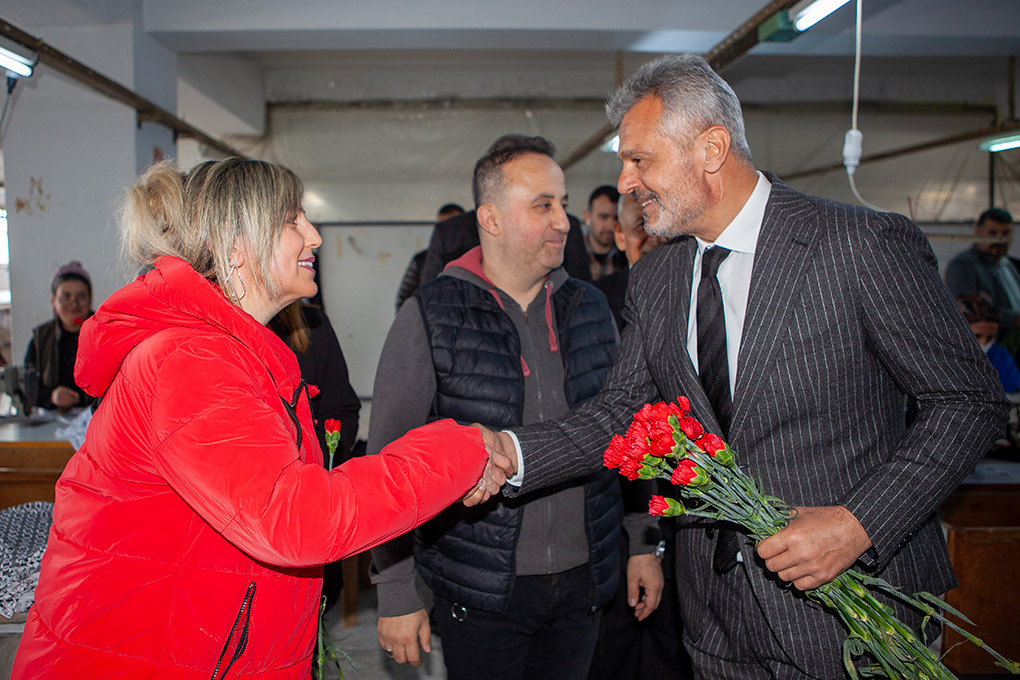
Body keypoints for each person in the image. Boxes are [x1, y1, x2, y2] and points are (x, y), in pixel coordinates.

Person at [473, 54, 1008, 678]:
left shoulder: (858, 245)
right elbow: (623, 414)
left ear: (711, 149)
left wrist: (859, 524)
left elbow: (969, 402)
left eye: (639, 160)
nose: (625, 182)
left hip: (855, 614)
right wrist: (512, 451)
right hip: (716, 620)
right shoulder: (657, 278)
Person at [12, 158, 496, 679]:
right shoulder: (191, 360)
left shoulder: (234, 353)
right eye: (292, 220)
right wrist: (463, 450)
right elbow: (297, 518)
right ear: (235, 246)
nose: (313, 236)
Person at [370, 134, 662, 680]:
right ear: (492, 219)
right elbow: (389, 463)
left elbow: (626, 431)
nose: (563, 222)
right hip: (480, 589)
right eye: (542, 205)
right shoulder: (431, 314)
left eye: (563, 204)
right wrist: (396, 589)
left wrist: (643, 540)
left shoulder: (591, 307)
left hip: (584, 582)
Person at [270, 300, 362, 610]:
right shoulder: (213, 334)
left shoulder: (313, 324)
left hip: (311, 519)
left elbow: (343, 409)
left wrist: (313, 471)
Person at [23, 260, 95, 411]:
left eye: (81, 296)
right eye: (65, 296)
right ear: (53, 300)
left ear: (90, 299)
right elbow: (27, 386)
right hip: (53, 418)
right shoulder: (41, 338)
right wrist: (51, 396)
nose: (74, 304)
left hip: (97, 416)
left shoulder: (104, 332)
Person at [594, 192, 666, 331]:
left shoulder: (695, 292)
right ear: (620, 235)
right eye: (643, 226)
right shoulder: (597, 300)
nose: (657, 239)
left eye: (664, 226)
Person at [945, 208, 1020, 338]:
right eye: (992, 233)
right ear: (977, 232)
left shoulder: (1012, 264)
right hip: (990, 344)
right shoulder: (963, 264)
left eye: (1005, 233)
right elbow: (969, 310)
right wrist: (1014, 319)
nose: (1000, 239)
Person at [395, 202, 465, 312]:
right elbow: (404, 300)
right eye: (442, 227)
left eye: (453, 226)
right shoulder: (422, 259)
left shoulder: (475, 258)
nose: (448, 232)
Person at [957, 293, 1020, 393]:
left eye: (990, 337)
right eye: (977, 336)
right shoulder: (945, 359)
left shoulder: (1000, 356)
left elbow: (1014, 390)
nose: (984, 343)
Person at [583, 185, 627, 280]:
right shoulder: (569, 255)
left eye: (616, 218)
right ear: (587, 216)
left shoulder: (628, 256)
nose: (611, 225)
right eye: (603, 217)